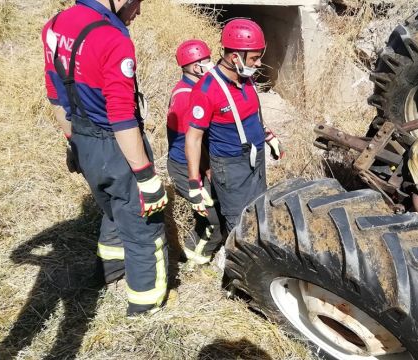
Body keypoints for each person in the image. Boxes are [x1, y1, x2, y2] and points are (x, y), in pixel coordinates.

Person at [41, 0, 169, 316]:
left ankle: (109, 271)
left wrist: (73, 143)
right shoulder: (114, 38)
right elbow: (122, 117)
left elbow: (55, 94)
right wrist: (145, 176)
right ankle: (145, 305)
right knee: (145, 228)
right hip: (117, 147)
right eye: (137, 2)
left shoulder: (55, 25)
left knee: (112, 210)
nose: (138, 10)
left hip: (82, 137)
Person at [184, 18, 284, 234]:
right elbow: (193, 138)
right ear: (235, 57)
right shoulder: (207, 89)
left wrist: (269, 137)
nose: (258, 64)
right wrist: (194, 184)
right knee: (240, 224)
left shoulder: (247, 79)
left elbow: (251, 115)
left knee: (260, 211)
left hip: (255, 159)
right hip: (231, 167)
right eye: (255, 58)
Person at [167, 39, 223, 264]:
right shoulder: (186, 96)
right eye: (202, 61)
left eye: (208, 59)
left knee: (207, 211)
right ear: (190, 66)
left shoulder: (193, 89)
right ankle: (195, 258)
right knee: (213, 220)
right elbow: (193, 142)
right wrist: (207, 169)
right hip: (186, 165)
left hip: (195, 162)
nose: (207, 65)